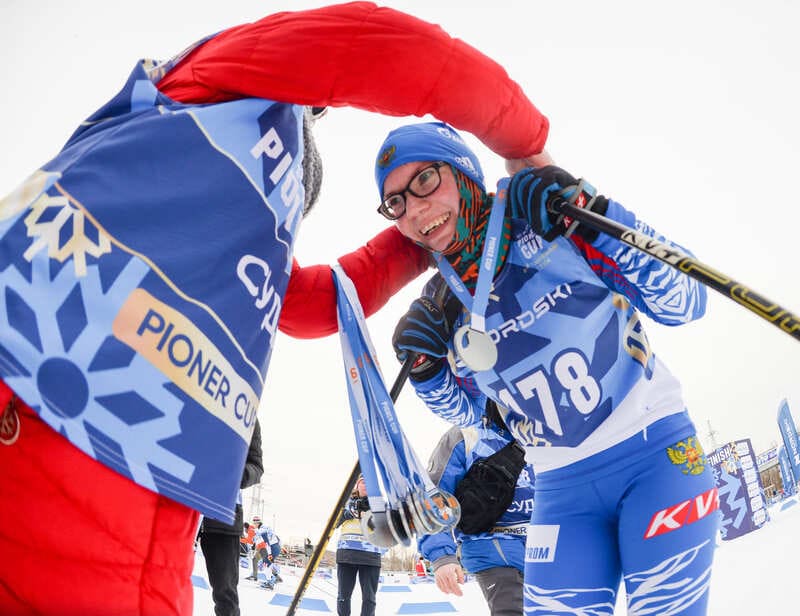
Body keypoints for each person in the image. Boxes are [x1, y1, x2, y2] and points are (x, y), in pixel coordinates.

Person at [0, 4, 550, 614]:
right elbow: (372, 47)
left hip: (152, 473)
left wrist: (427, 236)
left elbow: (309, 304)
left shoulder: (227, 265)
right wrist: (526, 141)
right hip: (44, 367)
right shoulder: (205, 84)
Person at [378, 122, 718, 614]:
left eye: (426, 180)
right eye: (396, 203)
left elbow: (687, 300)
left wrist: (594, 214)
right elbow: (475, 417)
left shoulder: (546, 216)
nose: (414, 208)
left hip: (655, 459)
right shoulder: (443, 304)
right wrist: (429, 371)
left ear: (464, 173)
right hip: (560, 493)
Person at [419, 400, 533, 616]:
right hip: (494, 549)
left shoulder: (549, 434)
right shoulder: (466, 434)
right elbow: (434, 497)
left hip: (547, 551)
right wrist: (441, 554)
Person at [198, 419, 263, 616]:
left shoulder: (247, 414)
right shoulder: (193, 392)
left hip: (223, 512)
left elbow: (256, 467)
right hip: (181, 502)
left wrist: (236, 475)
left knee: (225, 592)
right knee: (164, 574)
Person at [336, 475, 386, 616]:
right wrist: (348, 513)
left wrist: (369, 518)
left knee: (369, 599)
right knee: (343, 596)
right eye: (363, 482)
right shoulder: (345, 501)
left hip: (371, 556)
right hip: (347, 554)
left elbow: (386, 529)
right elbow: (332, 523)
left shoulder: (380, 505)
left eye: (370, 483)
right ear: (357, 485)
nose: (366, 485)